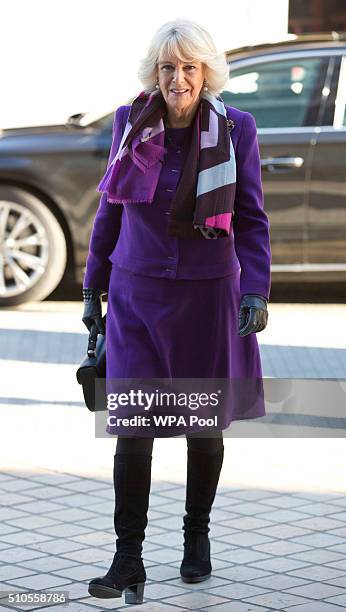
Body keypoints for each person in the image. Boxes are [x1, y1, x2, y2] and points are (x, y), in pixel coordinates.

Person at [82, 17, 271, 605]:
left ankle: (196, 537)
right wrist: (92, 288)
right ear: (155, 74)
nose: (178, 78)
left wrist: (255, 291)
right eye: (168, 67)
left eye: (189, 67)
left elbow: (252, 218)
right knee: (132, 432)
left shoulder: (236, 128)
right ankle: (127, 560)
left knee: (203, 428)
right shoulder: (130, 123)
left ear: (206, 73)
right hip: (137, 295)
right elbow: (109, 211)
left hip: (208, 297)